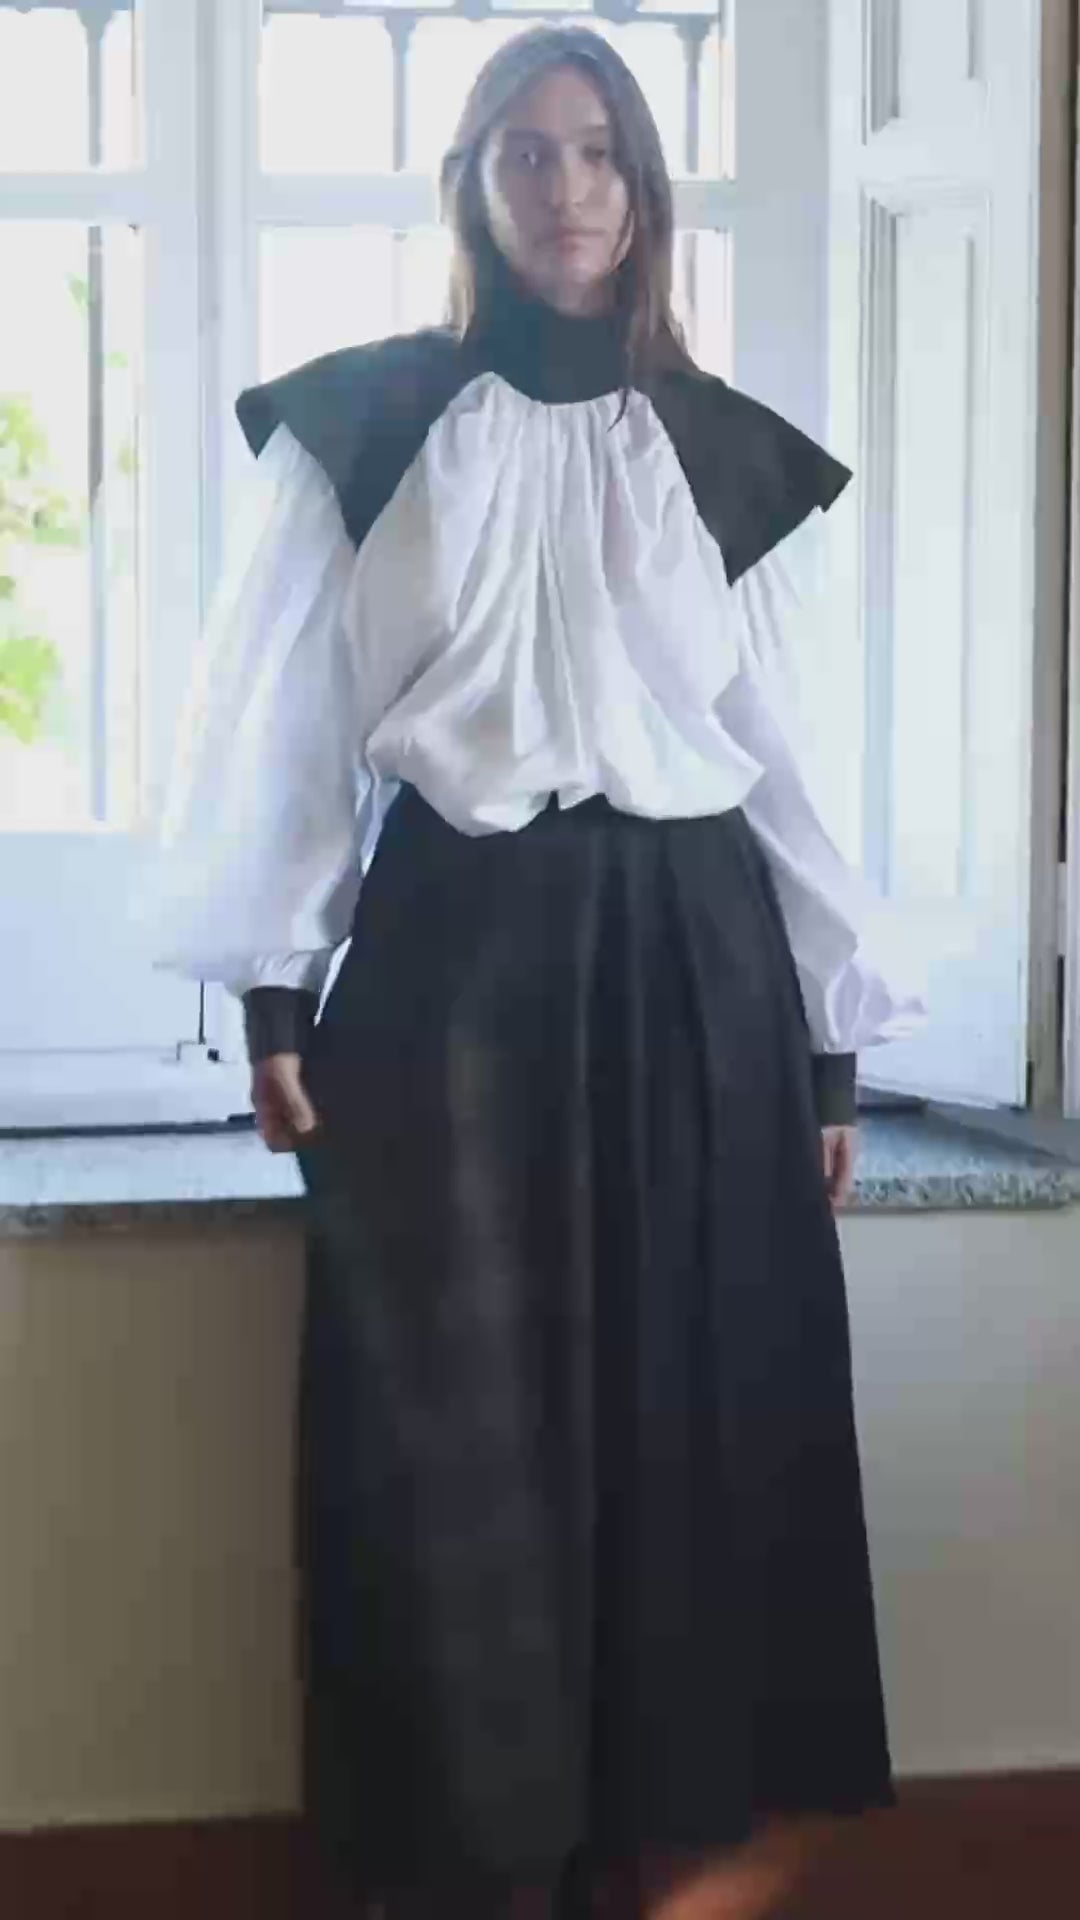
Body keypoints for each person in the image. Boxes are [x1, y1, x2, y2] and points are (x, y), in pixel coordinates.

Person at [144, 25, 922, 1918]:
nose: (566, 187)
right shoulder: (367, 427)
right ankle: (472, 1855)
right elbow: (285, 731)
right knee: (451, 1426)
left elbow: (792, 767)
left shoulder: (726, 455)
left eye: (598, 152)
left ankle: (652, 1842)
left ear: (643, 194)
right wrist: (274, 1000)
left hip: (695, 974)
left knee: (686, 1404)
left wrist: (830, 1048)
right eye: (525, 151)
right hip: (451, 976)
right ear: (472, 187)